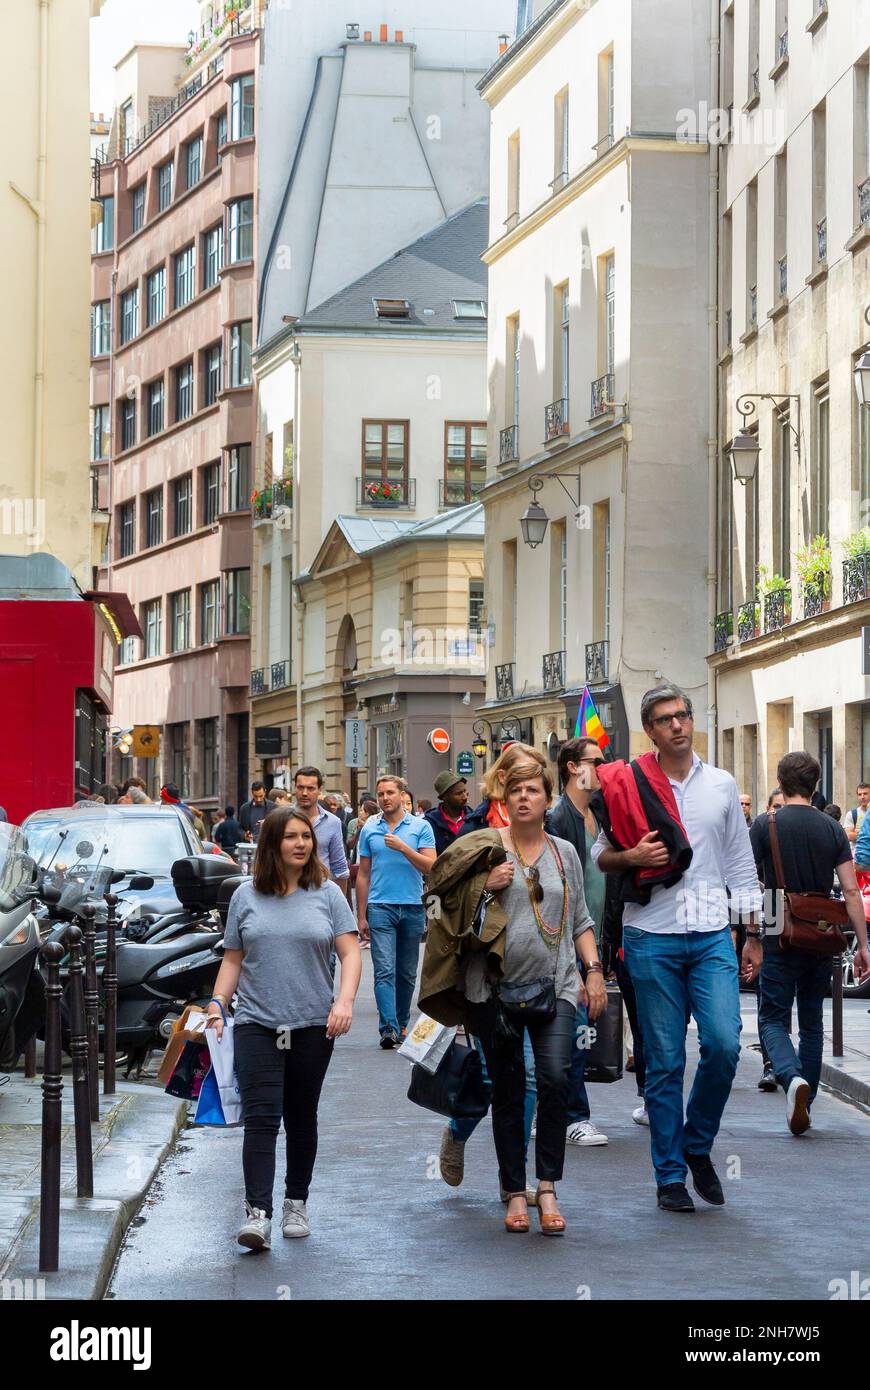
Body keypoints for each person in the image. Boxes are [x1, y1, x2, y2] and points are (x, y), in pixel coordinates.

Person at [592, 683, 763, 1213]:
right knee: (663, 1062)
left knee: (723, 1045)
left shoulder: (721, 785)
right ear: (652, 731)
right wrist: (632, 855)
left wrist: (753, 931)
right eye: (666, 719)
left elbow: (739, 862)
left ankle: (696, 1144)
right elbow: (600, 855)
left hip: (712, 932)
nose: (678, 725)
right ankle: (669, 1176)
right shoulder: (630, 785)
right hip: (650, 935)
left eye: (683, 715)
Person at [423, 758, 606, 1235]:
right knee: (507, 1092)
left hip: (558, 984)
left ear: (548, 800)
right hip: (495, 991)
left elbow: (580, 920)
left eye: (534, 790)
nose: (525, 797)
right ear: (504, 799)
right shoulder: (486, 849)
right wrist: (486, 886)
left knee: (553, 1080)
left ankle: (546, 1187)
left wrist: (594, 972)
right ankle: (512, 1190)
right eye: (517, 790)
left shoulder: (565, 851)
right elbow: (444, 902)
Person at [208, 806, 362, 1250]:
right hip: (256, 1021)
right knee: (261, 1118)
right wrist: (218, 1003)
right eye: (291, 837)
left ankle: (296, 1201)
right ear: (273, 844)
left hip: (314, 1023)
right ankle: (257, 1213)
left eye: (306, 837)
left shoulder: (328, 894)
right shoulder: (246, 896)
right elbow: (233, 958)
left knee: (301, 1117)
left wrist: (345, 1001)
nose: (301, 844)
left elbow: (350, 954)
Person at [752, 751, 870, 1134]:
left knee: (771, 1017)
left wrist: (750, 935)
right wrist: (863, 945)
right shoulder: (833, 828)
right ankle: (807, 1100)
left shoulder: (765, 824)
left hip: (776, 922)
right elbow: (851, 891)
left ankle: (790, 1078)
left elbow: (747, 884)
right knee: (813, 1021)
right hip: (819, 926)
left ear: (781, 782)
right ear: (816, 785)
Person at [547, 737, 612, 1147]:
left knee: (580, 1025)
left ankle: (553, 1107)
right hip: (568, 938)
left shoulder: (601, 813)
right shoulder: (559, 818)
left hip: (600, 933)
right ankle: (574, 1115)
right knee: (571, 1027)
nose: (603, 769)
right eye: (596, 761)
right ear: (573, 767)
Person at [356, 775, 436, 1047]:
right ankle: (388, 1028)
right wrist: (361, 914)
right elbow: (363, 874)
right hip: (381, 907)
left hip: (412, 906)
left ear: (402, 795)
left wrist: (403, 847)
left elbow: (430, 867)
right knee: (384, 970)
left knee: (406, 972)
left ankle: (401, 1024)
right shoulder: (370, 828)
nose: (385, 798)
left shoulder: (420, 827)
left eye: (390, 792)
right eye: (380, 794)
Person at [746, 789, 785, 1093]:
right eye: (776, 807)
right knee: (767, 992)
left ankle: (783, 1063)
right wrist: (748, 932)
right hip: (770, 904)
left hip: (794, 908)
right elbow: (745, 875)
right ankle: (771, 1064)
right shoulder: (762, 830)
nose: (780, 813)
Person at [459, 743, 543, 835]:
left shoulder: (549, 825)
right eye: (522, 773)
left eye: (535, 774)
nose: (530, 782)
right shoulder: (474, 829)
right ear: (502, 777)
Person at [292, 768, 350, 890]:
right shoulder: (281, 819)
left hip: (321, 894)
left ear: (319, 790)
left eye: (311, 788)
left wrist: (338, 905)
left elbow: (340, 869)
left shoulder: (332, 822)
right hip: (287, 894)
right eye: (300, 787)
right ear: (295, 788)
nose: (304, 793)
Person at [424, 773, 469, 855]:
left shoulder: (475, 819)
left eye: (465, 791)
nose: (465, 797)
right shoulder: (428, 824)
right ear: (444, 797)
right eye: (459, 793)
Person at [844, 783, 870, 848]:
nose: (862, 797)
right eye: (860, 794)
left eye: (865, 794)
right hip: (858, 855)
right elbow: (848, 836)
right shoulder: (852, 814)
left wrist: (859, 833)